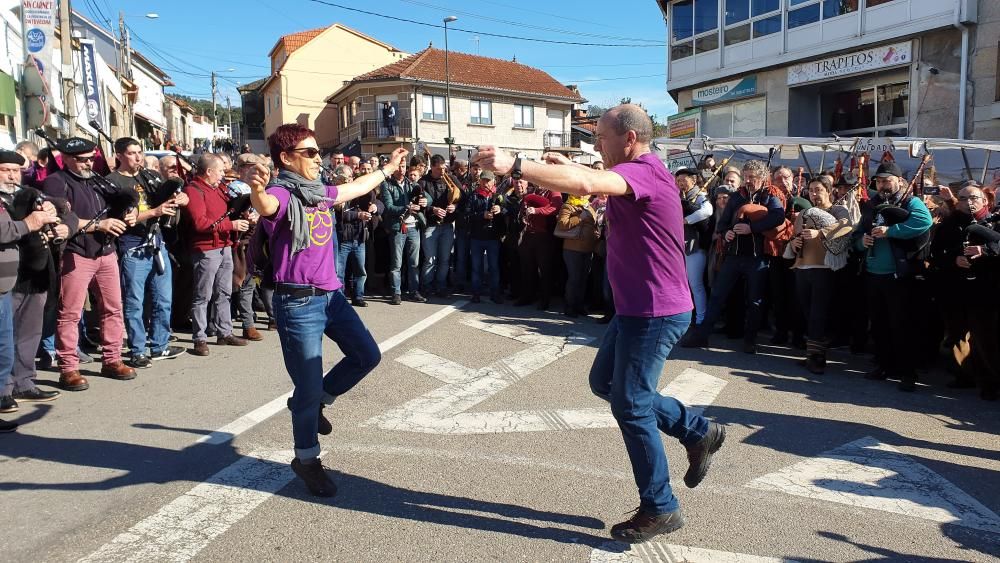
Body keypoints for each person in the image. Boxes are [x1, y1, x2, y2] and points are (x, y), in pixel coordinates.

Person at [474, 104, 725, 544]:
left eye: (603, 137)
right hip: (637, 308)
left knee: (630, 404)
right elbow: (592, 175)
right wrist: (570, 165)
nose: (598, 145)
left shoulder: (646, 171)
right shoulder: (638, 170)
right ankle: (698, 431)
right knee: (607, 383)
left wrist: (515, 164)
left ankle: (660, 506)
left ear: (629, 139)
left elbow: (591, 182)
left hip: (655, 311)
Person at [246, 123, 406, 497]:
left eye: (319, 151)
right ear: (286, 158)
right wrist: (255, 188)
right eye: (310, 152)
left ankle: (319, 400)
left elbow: (354, 188)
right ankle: (306, 460)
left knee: (366, 355)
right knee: (306, 386)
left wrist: (387, 168)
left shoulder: (318, 192)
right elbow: (267, 206)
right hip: (297, 301)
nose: (319, 158)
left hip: (331, 295)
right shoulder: (281, 192)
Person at [42, 138, 139, 390]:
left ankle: (112, 359)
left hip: (106, 251)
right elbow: (62, 220)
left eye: (90, 158)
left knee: (113, 308)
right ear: (66, 158)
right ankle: (68, 368)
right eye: (83, 159)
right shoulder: (56, 182)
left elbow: (120, 202)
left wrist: (130, 212)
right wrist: (98, 225)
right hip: (76, 252)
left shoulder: (97, 178)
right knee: (70, 313)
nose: (89, 163)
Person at [680, 160, 785, 354]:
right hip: (733, 256)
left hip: (757, 258)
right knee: (718, 295)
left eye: (752, 178)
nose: (747, 181)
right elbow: (722, 224)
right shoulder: (736, 197)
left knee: (755, 299)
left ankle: (750, 339)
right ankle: (702, 335)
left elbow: (778, 216)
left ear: (762, 178)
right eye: (745, 177)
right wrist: (726, 232)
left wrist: (751, 228)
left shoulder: (769, 196)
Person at [0, 150, 69, 420]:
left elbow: (59, 207)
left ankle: (24, 382)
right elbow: (6, 231)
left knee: (29, 333)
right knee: (6, 339)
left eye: (15, 171)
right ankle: (4, 390)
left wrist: (55, 208)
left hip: (33, 273)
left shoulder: (24, 192)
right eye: (5, 170)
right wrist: (30, 223)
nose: (11, 175)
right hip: (9, 278)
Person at [108, 138, 188, 368]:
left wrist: (182, 198)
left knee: (163, 299)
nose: (137, 157)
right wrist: (155, 211)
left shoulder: (149, 176)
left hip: (157, 243)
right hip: (133, 246)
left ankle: (160, 345)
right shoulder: (113, 182)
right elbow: (126, 218)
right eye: (132, 153)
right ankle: (137, 350)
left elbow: (171, 196)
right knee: (135, 301)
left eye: (139, 152)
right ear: (120, 155)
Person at [858, 162, 933, 392]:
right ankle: (883, 365)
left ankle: (907, 372)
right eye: (879, 181)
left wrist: (891, 231)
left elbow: (924, 221)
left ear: (899, 181)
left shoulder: (911, 202)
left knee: (901, 325)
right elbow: (859, 232)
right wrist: (862, 242)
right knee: (879, 324)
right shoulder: (872, 204)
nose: (882, 185)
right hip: (873, 273)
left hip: (899, 275)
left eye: (887, 180)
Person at [786, 176, 855, 373]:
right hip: (802, 267)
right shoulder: (805, 213)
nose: (814, 194)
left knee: (818, 314)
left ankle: (817, 358)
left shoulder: (837, 210)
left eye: (818, 190)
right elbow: (794, 236)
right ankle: (813, 353)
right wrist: (794, 243)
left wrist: (820, 233)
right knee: (808, 313)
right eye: (811, 190)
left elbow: (846, 225)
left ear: (829, 191)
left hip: (824, 270)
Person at [183, 153, 249, 356]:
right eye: (220, 170)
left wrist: (244, 212)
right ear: (209, 171)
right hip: (206, 249)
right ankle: (200, 338)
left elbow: (230, 209)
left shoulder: (218, 189)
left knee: (224, 292)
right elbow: (200, 223)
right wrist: (232, 224)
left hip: (224, 245)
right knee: (203, 295)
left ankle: (225, 332)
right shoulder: (194, 190)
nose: (223, 174)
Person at [381, 164, 427, 304]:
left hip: (414, 227)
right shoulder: (387, 185)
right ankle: (396, 292)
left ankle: (414, 291)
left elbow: (428, 198)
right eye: (398, 167)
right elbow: (389, 207)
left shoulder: (411, 183)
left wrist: (425, 201)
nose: (401, 169)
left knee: (414, 263)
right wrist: (407, 207)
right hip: (398, 227)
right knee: (396, 263)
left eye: (403, 166)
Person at [675, 168, 712, 327]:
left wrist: (686, 220)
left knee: (695, 285)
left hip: (694, 247)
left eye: (684, 180)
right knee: (682, 285)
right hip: (678, 247)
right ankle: (685, 317)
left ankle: (701, 319)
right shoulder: (677, 196)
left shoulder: (700, 196)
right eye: (678, 181)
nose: (681, 183)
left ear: (693, 180)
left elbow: (707, 211)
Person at [419, 155, 461, 296]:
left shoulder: (451, 179)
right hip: (431, 225)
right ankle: (427, 286)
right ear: (432, 167)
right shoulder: (423, 182)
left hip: (447, 225)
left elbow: (463, 197)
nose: (442, 172)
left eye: (443, 168)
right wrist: (433, 209)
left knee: (445, 259)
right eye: (438, 169)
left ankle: (441, 286)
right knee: (430, 259)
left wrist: (455, 206)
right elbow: (419, 204)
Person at [465, 170, 506, 303]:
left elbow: (509, 210)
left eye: (488, 180)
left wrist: (501, 210)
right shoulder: (473, 195)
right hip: (477, 237)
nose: (485, 183)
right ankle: (476, 293)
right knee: (477, 267)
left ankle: (495, 293)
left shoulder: (499, 196)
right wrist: (481, 215)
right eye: (483, 180)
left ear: (494, 181)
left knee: (494, 267)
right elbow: (467, 215)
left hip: (493, 237)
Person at [556, 192, 598, 317]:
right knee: (574, 278)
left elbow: (593, 224)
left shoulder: (590, 207)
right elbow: (562, 224)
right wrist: (580, 218)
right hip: (572, 248)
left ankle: (579, 305)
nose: (584, 195)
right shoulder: (568, 206)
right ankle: (569, 306)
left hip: (588, 248)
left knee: (583, 279)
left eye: (587, 194)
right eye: (582, 193)